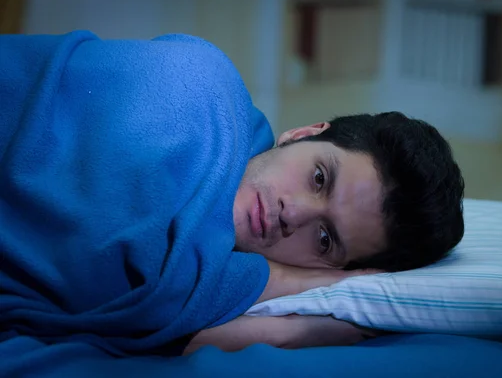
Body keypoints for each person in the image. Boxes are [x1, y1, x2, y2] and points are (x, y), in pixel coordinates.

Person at [0, 30, 463, 376]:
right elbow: (94, 247)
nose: (293, 213)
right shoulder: (198, 86)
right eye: (319, 178)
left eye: (325, 239)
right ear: (303, 134)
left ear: (331, 271)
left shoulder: (211, 277)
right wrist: (275, 282)